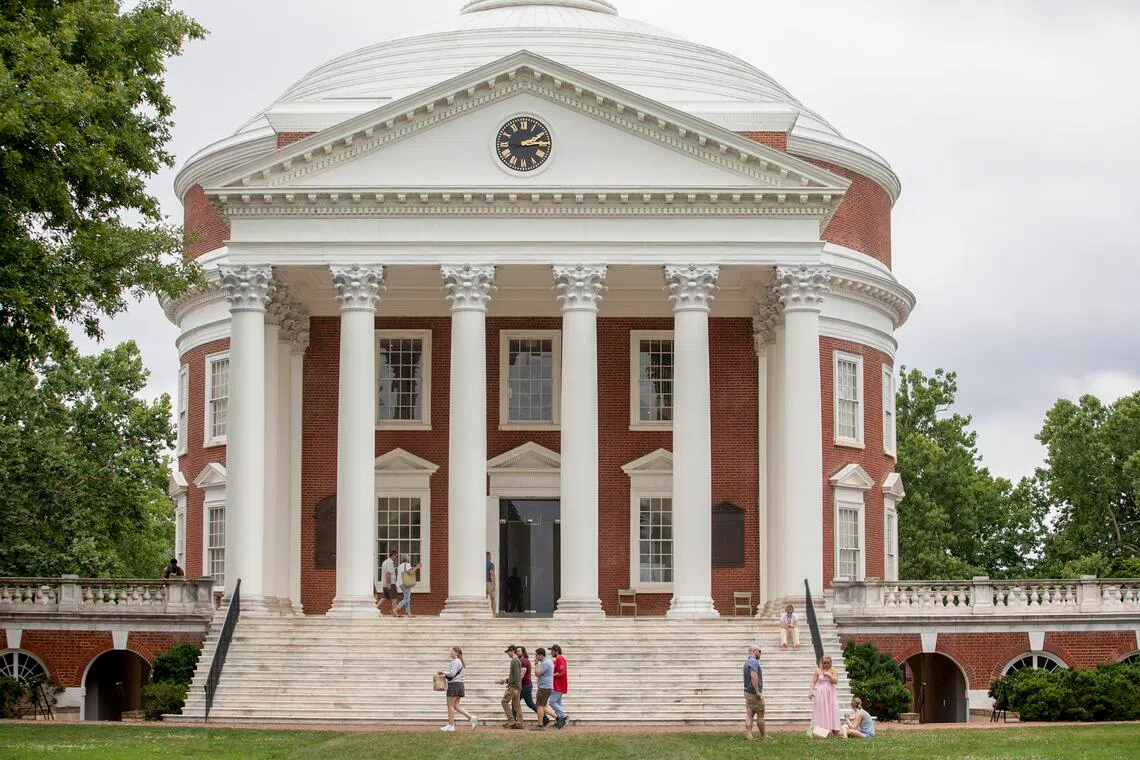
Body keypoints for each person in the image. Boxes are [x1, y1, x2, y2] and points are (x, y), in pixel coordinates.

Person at [438, 646, 478, 732]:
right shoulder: (459, 662)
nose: (450, 653)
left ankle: (451, 725)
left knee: (450, 705)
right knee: (456, 705)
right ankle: (472, 718)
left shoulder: (456, 661)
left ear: (456, 652)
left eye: (452, 651)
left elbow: (452, 674)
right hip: (459, 685)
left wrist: (443, 672)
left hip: (454, 685)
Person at [810, 655, 842, 737]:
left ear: (830, 663)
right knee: (820, 710)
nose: (826, 664)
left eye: (828, 663)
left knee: (831, 709)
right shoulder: (817, 670)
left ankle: (833, 729)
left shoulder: (833, 670)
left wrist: (829, 675)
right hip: (820, 693)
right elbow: (813, 682)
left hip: (830, 693)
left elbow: (835, 681)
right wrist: (811, 691)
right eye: (824, 663)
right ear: (822, 663)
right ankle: (820, 729)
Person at [743, 645, 768, 740]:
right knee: (760, 714)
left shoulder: (747, 662)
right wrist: (757, 692)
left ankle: (748, 734)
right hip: (754, 693)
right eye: (759, 651)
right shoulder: (753, 662)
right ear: (754, 651)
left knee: (749, 714)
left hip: (747, 692)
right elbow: (753, 676)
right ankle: (764, 735)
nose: (760, 653)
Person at [498, 644, 523, 728]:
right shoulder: (517, 660)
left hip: (514, 687)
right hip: (517, 686)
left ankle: (511, 720)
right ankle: (519, 723)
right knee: (517, 705)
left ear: (512, 651)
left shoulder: (515, 661)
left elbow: (516, 676)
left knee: (504, 701)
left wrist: (515, 687)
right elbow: (515, 676)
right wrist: (506, 680)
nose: (508, 654)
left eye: (508, 652)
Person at [531, 646, 556, 730]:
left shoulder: (545, 663)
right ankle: (559, 718)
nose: (536, 657)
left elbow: (537, 673)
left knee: (539, 706)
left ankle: (540, 725)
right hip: (547, 687)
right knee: (543, 706)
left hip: (544, 687)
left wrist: (536, 664)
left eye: (536, 655)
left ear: (541, 655)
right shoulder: (548, 661)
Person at [549, 643, 570, 729]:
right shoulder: (556, 660)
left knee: (552, 702)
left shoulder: (560, 659)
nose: (551, 652)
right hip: (556, 685)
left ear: (556, 651)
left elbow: (562, 672)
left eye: (552, 651)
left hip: (559, 685)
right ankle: (560, 721)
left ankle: (565, 716)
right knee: (558, 703)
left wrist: (552, 675)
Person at [377, 549, 399, 616]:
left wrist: (386, 584)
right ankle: (395, 612)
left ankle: (375, 608)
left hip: (385, 584)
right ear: (393, 555)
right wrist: (389, 584)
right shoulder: (390, 563)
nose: (396, 558)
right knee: (394, 597)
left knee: (384, 597)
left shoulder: (384, 562)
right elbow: (388, 574)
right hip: (391, 583)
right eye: (396, 556)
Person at [518, 646, 537, 717]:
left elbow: (521, 675)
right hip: (522, 686)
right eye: (516, 651)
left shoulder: (524, 661)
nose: (517, 653)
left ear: (523, 652)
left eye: (519, 651)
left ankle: (544, 717)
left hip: (525, 687)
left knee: (530, 704)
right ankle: (513, 721)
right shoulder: (520, 661)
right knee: (514, 703)